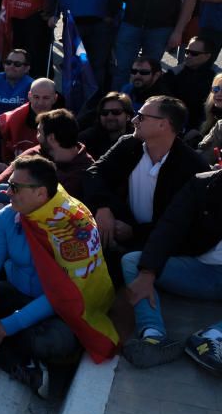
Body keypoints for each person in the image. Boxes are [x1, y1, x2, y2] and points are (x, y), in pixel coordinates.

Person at [0, 154, 117, 397]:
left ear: (41, 194)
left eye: (14, 187)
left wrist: (4, 327)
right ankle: (17, 362)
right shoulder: (8, 215)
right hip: (17, 292)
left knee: (58, 341)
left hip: (58, 308)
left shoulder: (74, 227)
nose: (6, 192)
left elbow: (62, 296)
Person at [84, 96, 209, 285]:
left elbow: (185, 225)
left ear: (163, 125)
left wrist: (135, 232)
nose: (133, 120)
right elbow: (93, 174)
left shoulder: (193, 168)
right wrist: (103, 207)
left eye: (141, 117)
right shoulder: (128, 145)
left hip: (162, 248)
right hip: (123, 233)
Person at [121, 169, 222, 371]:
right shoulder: (202, 185)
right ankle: (153, 336)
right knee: (134, 261)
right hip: (202, 271)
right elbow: (169, 227)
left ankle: (213, 337)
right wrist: (148, 271)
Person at [0, 78, 59, 179]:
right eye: (36, 97)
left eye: (46, 98)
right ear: (29, 96)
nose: (40, 103)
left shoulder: (64, 121)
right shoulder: (13, 118)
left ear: (55, 98)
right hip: (13, 173)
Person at [162, 36, 218, 135]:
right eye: (187, 51)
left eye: (194, 53)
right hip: (173, 124)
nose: (188, 56)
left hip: (204, 128)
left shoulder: (216, 79)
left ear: (207, 56)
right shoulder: (173, 74)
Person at [79, 92, 133, 160]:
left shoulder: (138, 140)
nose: (109, 117)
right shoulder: (86, 140)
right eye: (104, 112)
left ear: (128, 116)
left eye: (116, 112)